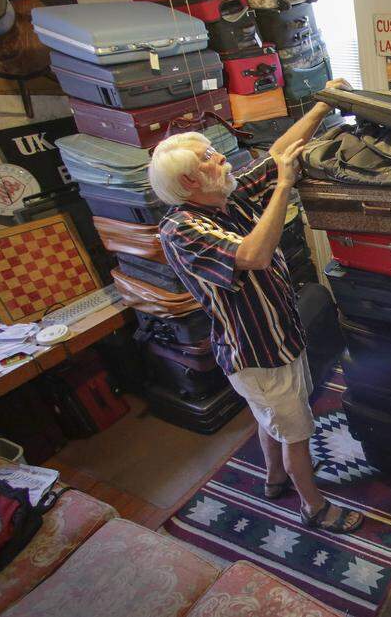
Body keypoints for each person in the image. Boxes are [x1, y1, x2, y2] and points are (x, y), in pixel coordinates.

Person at [148, 80, 363, 534]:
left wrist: (324, 103)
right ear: (188, 181)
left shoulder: (224, 195)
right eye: (209, 157)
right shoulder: (181, 230)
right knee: (297, 430)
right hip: (258, 352)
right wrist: (285, 185)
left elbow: (278, 152)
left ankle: (273, 478)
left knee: (273, 418)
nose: (221, 158)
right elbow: (253, 255)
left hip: (280, 338)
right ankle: (313, 507)